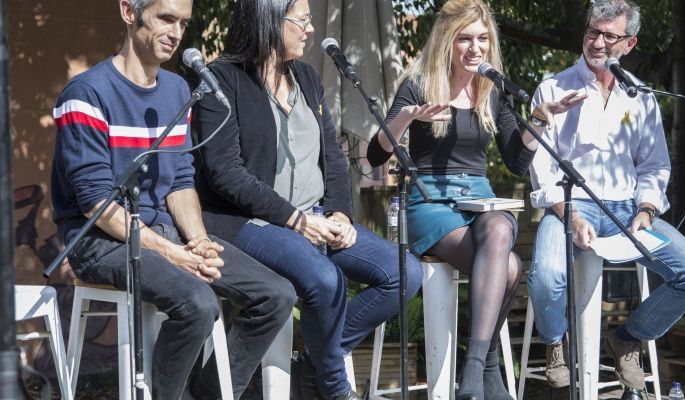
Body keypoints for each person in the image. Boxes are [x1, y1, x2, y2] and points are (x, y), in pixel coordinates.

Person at [50, 0, 296, 399]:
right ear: (129, 12)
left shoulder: (178, 89)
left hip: (164, 230)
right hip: (99, 239)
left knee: (276, 295)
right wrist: (173, 253)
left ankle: (206, 394)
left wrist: (197, 240)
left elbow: (180, 181)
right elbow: (96, 203)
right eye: (166, 18)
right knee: (198, 304)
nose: (176, 33)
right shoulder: (86, 93)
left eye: (183, 23)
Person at [190, 1, 424, 399]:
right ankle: (333, 389)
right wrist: (297, 220)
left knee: (404, 273)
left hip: (317, 217)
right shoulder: (221, 80)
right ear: (268, 19)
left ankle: (317, 361)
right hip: (250, 222)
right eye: (302, 21)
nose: (310, 30)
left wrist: (340, 213)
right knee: (323, 278)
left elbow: (332, 156)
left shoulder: (307, 79)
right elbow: (224, 172)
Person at [367, 1, 581, 398]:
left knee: (501, 228)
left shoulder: (492, 88)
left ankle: (473, 370)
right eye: (464, 39)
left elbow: (517, 160)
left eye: (482, 39)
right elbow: (376, 154)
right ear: (447, 41)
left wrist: (537, 120)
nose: (475, 48)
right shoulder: (418, 83)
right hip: (430, 200)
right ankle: (483, 371)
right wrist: (407, 118)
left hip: (479, 200)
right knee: (512, 268)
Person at [527, 0, 685, 390]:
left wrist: (646, 209)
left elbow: (654, 166)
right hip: (571, 205)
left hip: (628, 208)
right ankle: (555, 341)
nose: (596, 42)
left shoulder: (641, 96)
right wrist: (571, 217)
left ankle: (627, 339)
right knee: (546, 276)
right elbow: (541, 170)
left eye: (608, 36)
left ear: (628, 44)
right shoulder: (551, 88)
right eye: (592, 32)